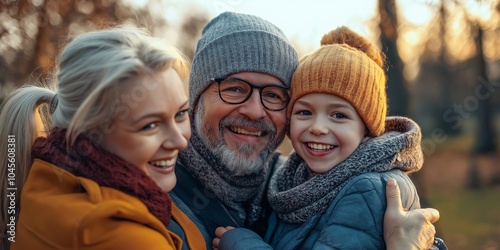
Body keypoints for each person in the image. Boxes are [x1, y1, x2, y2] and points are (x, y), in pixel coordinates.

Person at [170, 11, 441, 250]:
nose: (254, 110)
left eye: (274, 94)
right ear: (196, 99)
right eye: (234, 89)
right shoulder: (159, 193)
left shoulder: (286, 182)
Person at [0, 27, 205, 250]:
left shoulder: (49, 177)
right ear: (87, 132)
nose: (180, 141)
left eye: (181, 114)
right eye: (150, 125)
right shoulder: (126, 237)